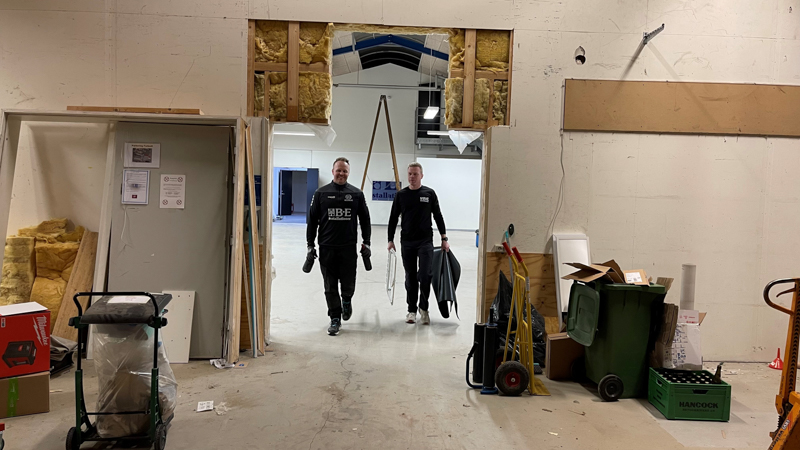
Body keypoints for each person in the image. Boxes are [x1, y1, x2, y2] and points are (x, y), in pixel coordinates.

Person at [306, 157, 371, 335]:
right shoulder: (321, 193)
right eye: (338, 170)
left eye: (345, 171)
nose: (341, 173)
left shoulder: (356, 194)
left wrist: (367, 242)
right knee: (330, 286)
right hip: (326, 247)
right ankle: (335, 318)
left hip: (348, 247)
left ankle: (347, 300)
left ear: (348, 173)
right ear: (333, 171)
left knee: (348, 283)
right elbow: (312, 221)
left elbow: (365, 220)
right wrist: (310, 245)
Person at [387, 162, 449, 325]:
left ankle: (424, 308)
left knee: (425, 275)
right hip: (407, 241)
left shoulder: (429, 193)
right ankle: (411, 310)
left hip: (425, 241)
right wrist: (390, 240)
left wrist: (444, 238)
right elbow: (393, 218)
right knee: (410, 277)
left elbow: (438, 215)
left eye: (415, 174)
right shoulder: (401, 195)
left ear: (421, 175)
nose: (412, 177)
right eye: (410, 174)